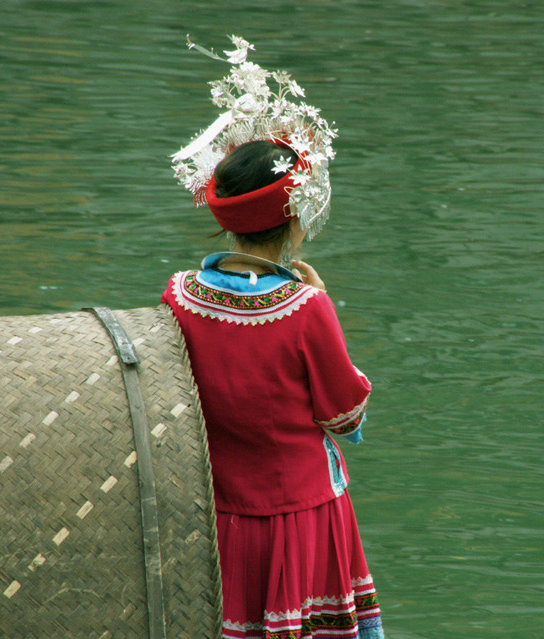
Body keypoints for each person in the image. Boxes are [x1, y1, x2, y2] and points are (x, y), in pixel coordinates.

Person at [162, 38, 384, 639]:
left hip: (220, 511)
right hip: (303, 511)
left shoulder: (178, 296)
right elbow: (345, 413)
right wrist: (327, 307)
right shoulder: (307, 307)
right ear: (295, 219)